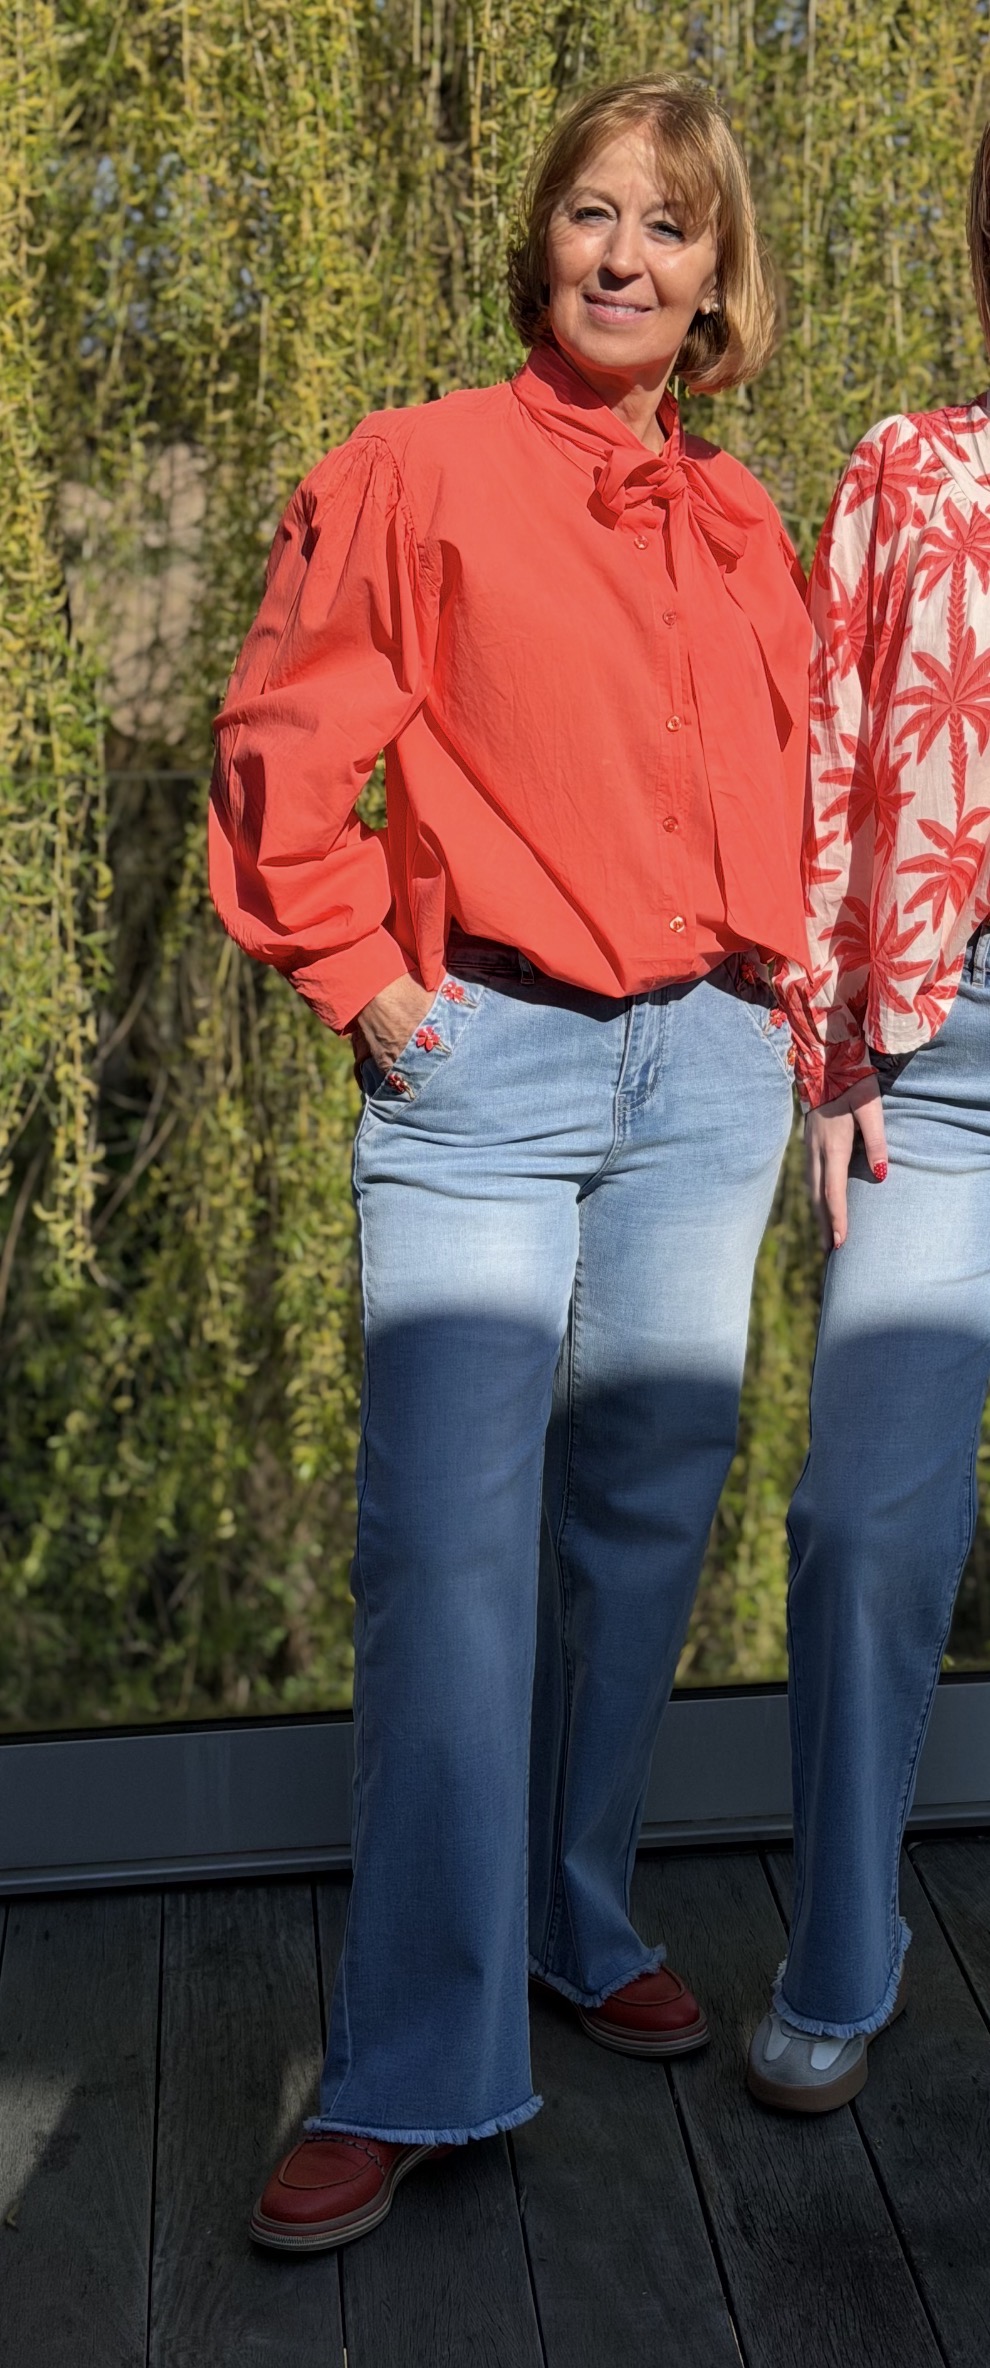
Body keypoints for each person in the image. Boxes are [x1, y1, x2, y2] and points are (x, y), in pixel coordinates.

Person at [210, 74, 810, 2248]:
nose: (624, 253)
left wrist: (800, 1040)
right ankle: (412, 2062)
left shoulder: (746, 523)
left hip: (715, 1068)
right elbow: (285, 733)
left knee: (639, 1534)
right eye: (590, 211)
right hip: (488, 1066)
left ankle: (571, 1910)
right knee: (449, 1566)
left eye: (670, 227)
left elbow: (792, 800)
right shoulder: (418, 468)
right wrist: (363, 978)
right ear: (542, 240)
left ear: (720, 281)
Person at [748, 124, 990, 2114]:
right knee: (857, 1515)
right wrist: (830, 1049)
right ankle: (844, 1946)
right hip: (951, 1070)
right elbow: (835, 752)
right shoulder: (915, 466)